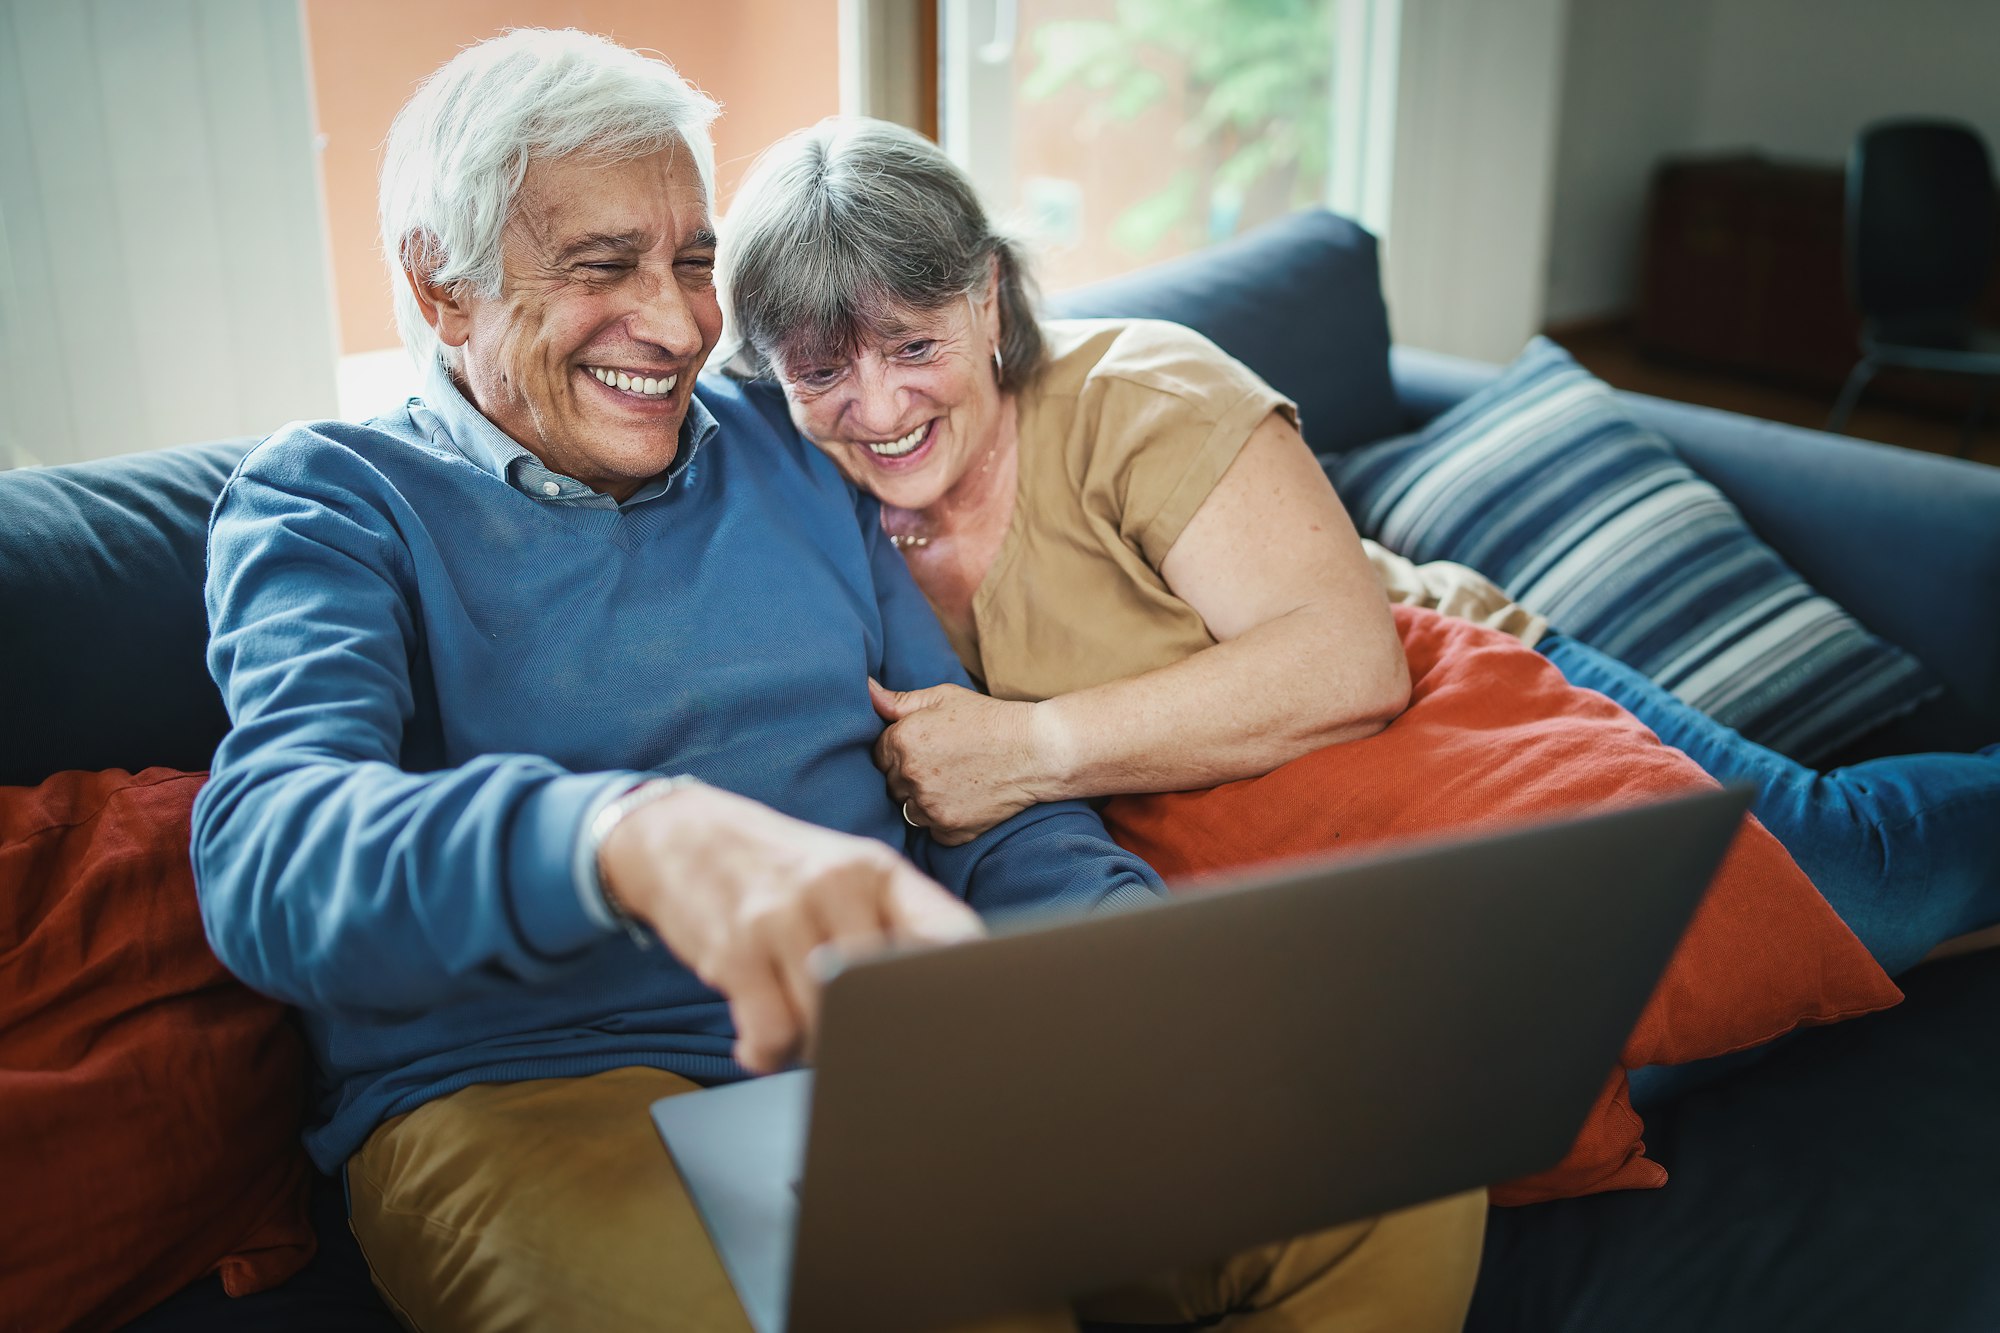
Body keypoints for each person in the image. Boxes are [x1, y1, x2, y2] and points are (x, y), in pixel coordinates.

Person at [192, 31, 1484, 1333]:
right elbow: (270, 854)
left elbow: (971, 788)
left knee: (1393, 1162)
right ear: (442, 290)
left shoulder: (790, 447)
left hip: (889, 1046)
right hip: (532, 1087)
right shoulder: (331, 502)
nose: (678, 322)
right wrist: (622, 835)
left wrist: (1115, 965)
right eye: (601, 268)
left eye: (694, 263)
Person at [717, 116, 2000, 976]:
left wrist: (1031, 749)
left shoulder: (1136, 394)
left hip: (1448, 699)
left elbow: (1347, 663)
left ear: (987, 296)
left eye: (915, 347)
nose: (876, 409)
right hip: (1251, 819)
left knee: (1855, 876)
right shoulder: (807, 492)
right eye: (823, 369)